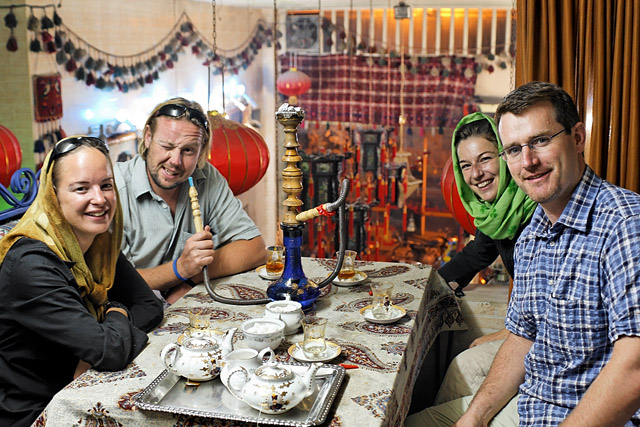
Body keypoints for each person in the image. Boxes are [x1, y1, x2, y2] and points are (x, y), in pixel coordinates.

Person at [409, 81, 640, 426]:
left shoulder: (625, 223)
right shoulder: (533, 231)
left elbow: (635, 365)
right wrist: (475, 416)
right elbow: (522, 337)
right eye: (514, 150)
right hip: (535, 406)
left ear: (577, 138)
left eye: (541, 141)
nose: (528, 161)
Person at [0, 136, 164, 427]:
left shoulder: (98, 243)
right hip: (38, 412)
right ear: (53, 195)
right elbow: (111, 351)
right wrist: (114, 318)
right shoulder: (32, 264)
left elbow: (149, 305)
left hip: (82, 391)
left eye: (106, 185)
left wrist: (101, 340)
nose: (99, 199)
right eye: (81, 188)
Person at [426, 113, 536, 406]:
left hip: (541, 337)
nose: (476, 174)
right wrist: (431, 286)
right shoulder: (498, 213)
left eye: (485, 159)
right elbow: (477, 253)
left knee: (464, 365)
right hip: (526, 330)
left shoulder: (537, 207)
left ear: (505, 155)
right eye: (465, 165)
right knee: (460, 368)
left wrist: (507, 332)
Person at [114, 98, 266, 305]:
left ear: (201, 151)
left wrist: (190, 278)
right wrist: (181, 268)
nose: (175, 161)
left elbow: (254, 249)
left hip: (186, 305)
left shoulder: (207, 177)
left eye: (188, 150)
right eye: (166, 146)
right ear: (148, 137)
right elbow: (115, 283)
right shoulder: (114, 189)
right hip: (130, 312)